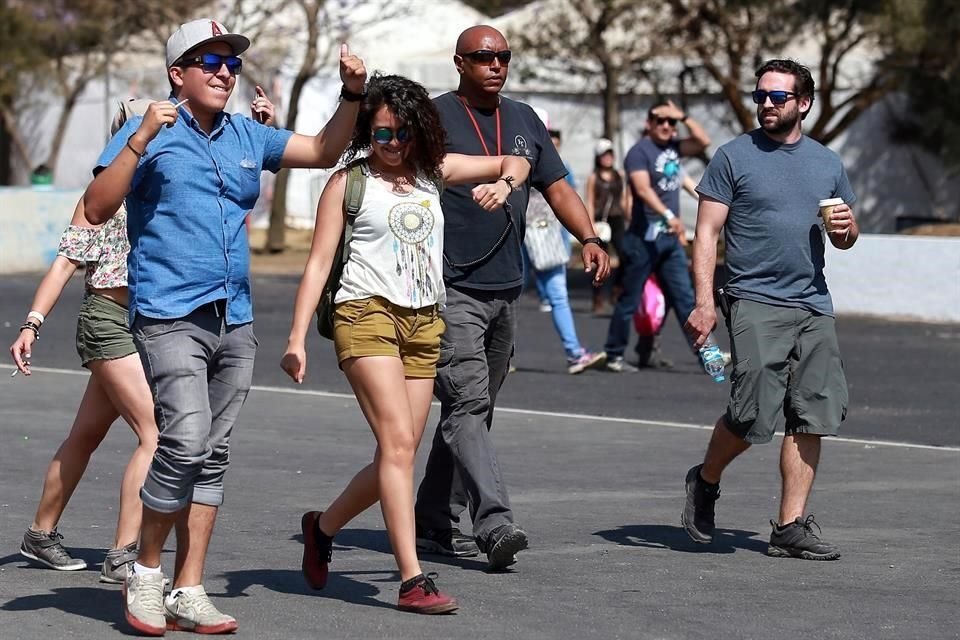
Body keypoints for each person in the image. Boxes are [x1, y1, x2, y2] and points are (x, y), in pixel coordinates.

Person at [82, 18, 366, 635]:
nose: (223, 72)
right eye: (207, 61)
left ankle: (189, 587)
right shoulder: (148, 131)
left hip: (234, 317)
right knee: (183, 439)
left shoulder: (245, 134)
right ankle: (147, 572)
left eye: (230, 63)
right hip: (168, 314)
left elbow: (320, 151)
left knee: (211, 455)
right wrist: (138, 141)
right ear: (176, 74)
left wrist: (350, 96)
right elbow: (98, 207)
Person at [282, 73, 531, 614]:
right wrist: (297, 337)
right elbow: (319, 264)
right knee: (398, 447)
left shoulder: (432, 174)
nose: (391, 144)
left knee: (398, 453)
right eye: (380, 134)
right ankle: (412, 578)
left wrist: (506, 185)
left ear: (418, 132)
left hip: (424, 324)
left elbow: (517, 161)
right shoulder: (347, 184)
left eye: (401, 134)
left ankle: (321, 529)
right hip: (363, 316)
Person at [413, 25, 609, 570]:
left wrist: (588, 238)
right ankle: (494, 523)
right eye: (483, 57)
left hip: (505, 288)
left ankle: (431, 518)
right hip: (449, 287)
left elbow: (558, 186)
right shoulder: (434, 116)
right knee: (468, 405)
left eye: (503, 56)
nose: (496, 64)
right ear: (459, 62)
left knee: (471, 410)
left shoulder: (524, 119)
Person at [682, 59, 858, 561]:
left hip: (813, 301)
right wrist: (702, 302)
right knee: (752, 411)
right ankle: (706, 479)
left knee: (813, 412)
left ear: (802, 103)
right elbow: (707, 233)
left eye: (777, 97)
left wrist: (845, 230)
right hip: (754, 298)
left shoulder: (827, 163)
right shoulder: (734, 157)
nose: (765, 104)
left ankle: (790, 525)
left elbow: (845, 236)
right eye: (760, 95)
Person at [10, 100, 157, 584]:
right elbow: (64, 264)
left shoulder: (164, 188)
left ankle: (40, 533)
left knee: (86, 435)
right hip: (108, 321)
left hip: (147, 323)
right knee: (156, 435)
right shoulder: (101, 194)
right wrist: (32, 323)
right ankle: (123, 554)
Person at [602, 100, 711, 372]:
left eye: (670, 122)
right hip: (642, 239)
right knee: (630, 299)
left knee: (686, 299)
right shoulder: (639, 152)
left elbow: (702, 141)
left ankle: (709, 358)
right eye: (659, 120)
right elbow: (642, 189)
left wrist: (683, 116)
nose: (665, 126)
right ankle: (614, 354)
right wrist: (668, 216)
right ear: (648, 124)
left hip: (669, 241)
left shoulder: (673, 148)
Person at [585, 138, 630, 314]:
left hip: (617, 219)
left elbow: (624, 198)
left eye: (610, 154)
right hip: (600, 223)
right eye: (604, 154)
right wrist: (590, 226)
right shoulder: (593, 177)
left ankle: (617, 289)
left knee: (625, 255)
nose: (607, 158)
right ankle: (597, 297)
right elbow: (589, 201)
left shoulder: (620, 175)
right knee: (600, 261)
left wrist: (630, 217)